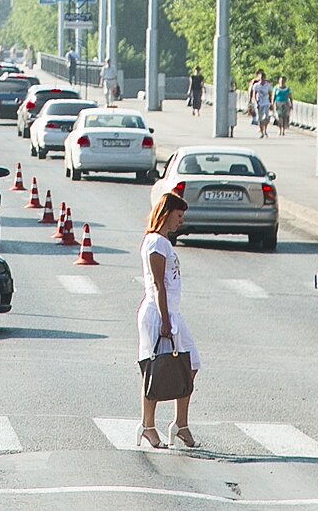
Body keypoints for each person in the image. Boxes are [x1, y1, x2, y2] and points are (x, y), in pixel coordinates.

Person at [136, 188, 199, 450]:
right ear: (165, 214)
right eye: (178, 215)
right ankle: (148, 426)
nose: (180, 221)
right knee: (155, 369)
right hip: (159, 313)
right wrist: (164, 321)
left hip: (171, 312)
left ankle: (180, 424)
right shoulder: (156, 242)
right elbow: (158, 283)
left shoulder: (164, 242)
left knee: (190, 364)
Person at [248, 72, 272, 138]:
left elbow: (270, 94)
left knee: (267, 118)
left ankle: (265, 130)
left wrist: (271, 103)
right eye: (260, 78)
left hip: (266, 103)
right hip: (259, 103)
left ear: (265, 78)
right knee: (260, 118)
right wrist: (255, 102)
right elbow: (254, 94)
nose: (261, 79)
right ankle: (262, 132)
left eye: (263, 78)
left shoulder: (268, 85)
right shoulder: (256, 85)